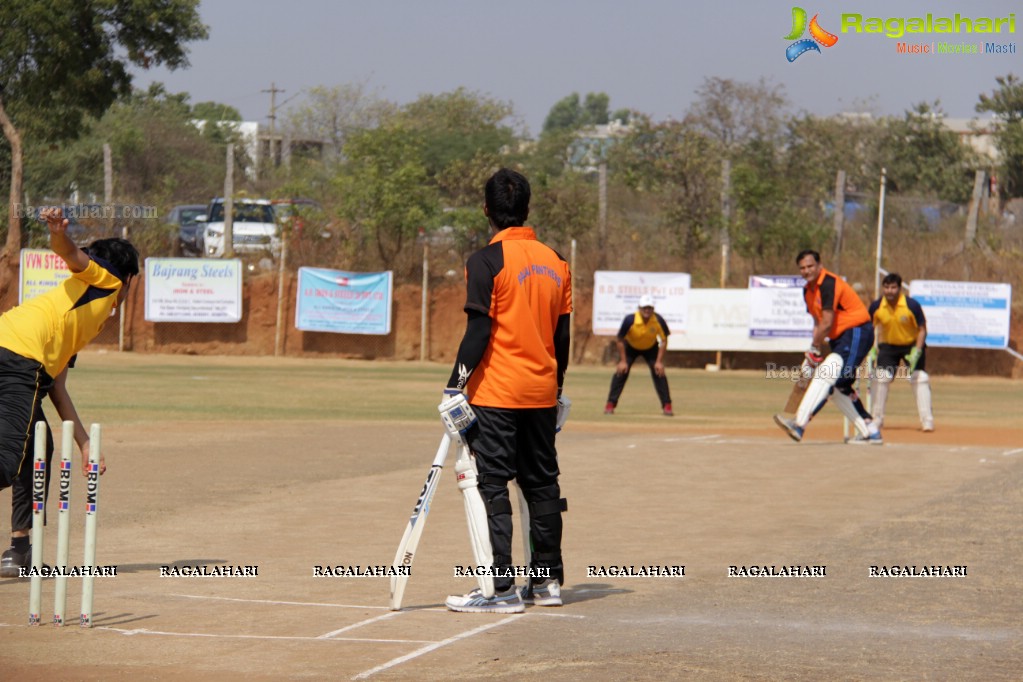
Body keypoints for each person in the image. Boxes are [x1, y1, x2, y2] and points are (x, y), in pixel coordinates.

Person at [440, 168, 571, 614]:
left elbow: (479, 331)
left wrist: (453, 385)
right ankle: (548, 581)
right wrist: (557, 387)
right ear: (527, 209)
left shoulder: (484, 261)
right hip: (541, 393)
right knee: (542, 484)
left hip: (496, 392)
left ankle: (500, 589)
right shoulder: (556, 260)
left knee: (492, 484)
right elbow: (563, 337)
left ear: (486, 210)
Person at [0, 207, 137, 577]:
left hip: (12, 350)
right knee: (7, 461)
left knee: (38, 446)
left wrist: (84, 444)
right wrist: (57, 232)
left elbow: (57, 388)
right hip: (18, 358)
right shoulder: (106, 280)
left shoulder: (81, 317)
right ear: (127, 280)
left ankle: (20, 550)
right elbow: (69, 253)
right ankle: (19, 551)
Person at [774, 249, 882, 445]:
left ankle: (799, 424)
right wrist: (813, 351)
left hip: (856, 331)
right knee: (838, 386)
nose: (806, 271)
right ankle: (870, 431)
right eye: (802, 268)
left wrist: (815, 348)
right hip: (839, 339)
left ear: (819, 266)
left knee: (827, 374)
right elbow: (818, 322)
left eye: (810, 266)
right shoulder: (807, 291)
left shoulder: (828, 283)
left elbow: (827, 322)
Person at [867, 272, 934, 432]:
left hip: (911, 345)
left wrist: (917, 351)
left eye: (893, 287)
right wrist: (871, 349)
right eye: (886, 287)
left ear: (899, 288)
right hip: (888, 347)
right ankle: (877, 419)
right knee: (881, 378)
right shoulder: (877, 306)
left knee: (919, 378)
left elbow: (922, 329)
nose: (889, 291)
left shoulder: (911, 305)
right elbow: (869, 328)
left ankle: (927, 421)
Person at [604, 295, 673, 416]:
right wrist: (623, 361)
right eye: (644, 308)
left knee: (659, 373)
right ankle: (610, 404)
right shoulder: (630, 320)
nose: (647, 310)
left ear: (653, 309)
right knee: (621, 372)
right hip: (631, 347)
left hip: (651, 347)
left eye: (649, 308)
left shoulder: (658, 320)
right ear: (639, 308)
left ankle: (667, 405)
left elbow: (664, 340)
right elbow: (619, 339)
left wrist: (659, 361)